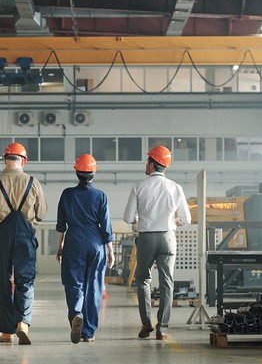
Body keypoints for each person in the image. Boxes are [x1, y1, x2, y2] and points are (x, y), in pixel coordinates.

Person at [0, 142, 47, 345]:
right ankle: (23, 323)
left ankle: (7, 332)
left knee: (3, 281)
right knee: (24, 280)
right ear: (24, 161)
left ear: (5, 159)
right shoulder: (33, 182)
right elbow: (42, 213)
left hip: (3, 235)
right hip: (25, 236)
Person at [124, 145, 190, 341]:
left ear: (152, 164)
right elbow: (186, 218)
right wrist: (171, 224)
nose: (146, 164)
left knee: (143, 279)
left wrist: (143, 220)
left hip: (146, 238)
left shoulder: (139, 186)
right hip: (168, 237)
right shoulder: (176, 187)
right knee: (167, 283)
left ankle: (146, 323)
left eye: (147, 161)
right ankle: (163, 328)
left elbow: (128, 218)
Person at [56, 154, 114, 344]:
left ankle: (75, 314)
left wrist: (60, 247)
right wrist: (110, 250)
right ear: (93, 173)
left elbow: (61, 225)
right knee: (94, 287)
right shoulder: (100, 196)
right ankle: (88, 333)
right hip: (96, 242)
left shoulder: (67, 194)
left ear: (76, 171)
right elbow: (106, 226)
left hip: (73, 240)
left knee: (74, 283)